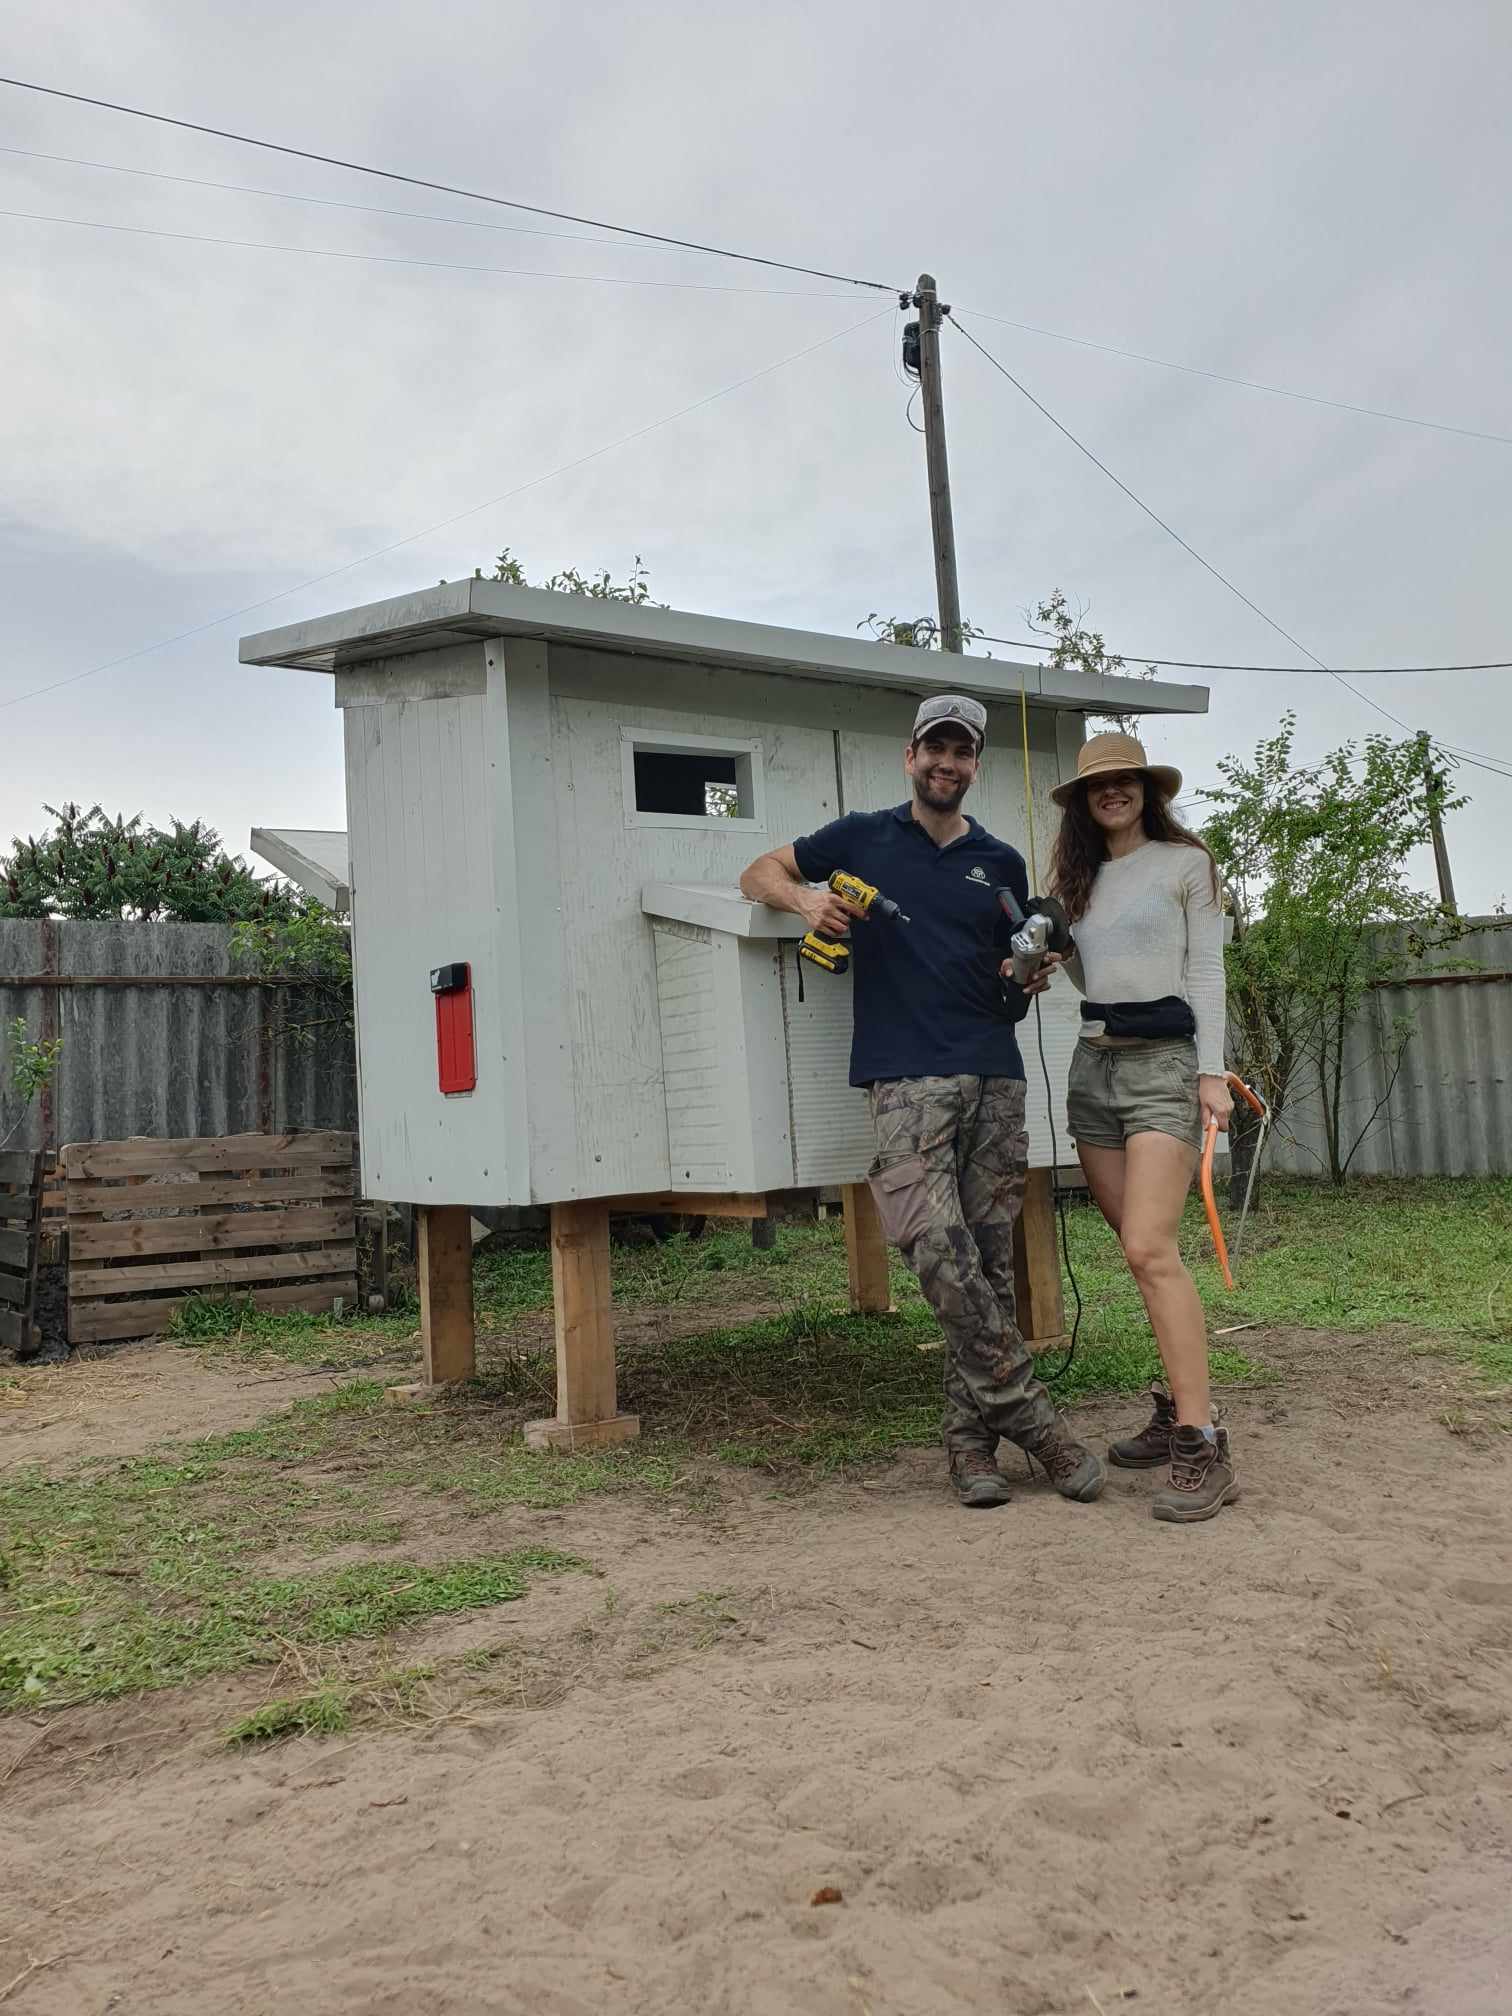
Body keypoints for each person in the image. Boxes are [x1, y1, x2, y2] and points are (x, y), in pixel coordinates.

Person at [739, 693, 1105, 1510]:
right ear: (911, 757)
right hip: (905, 1076)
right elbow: (757, 871)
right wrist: (804, 900)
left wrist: (1029, 971)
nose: (947, 763)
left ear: (975, 765)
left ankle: (971, 1448)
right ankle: (1036, 1422)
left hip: (996, 1072)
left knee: (989, 1263)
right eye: (934, 749)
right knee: (934, 1245)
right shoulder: (860, 837)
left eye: (961, 752)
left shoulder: (1000, 863)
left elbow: (1010, 970)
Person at [1043, 730, 1236, 1523]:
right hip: (1093, 1072)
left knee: (1151, 1249)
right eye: (1099, 785)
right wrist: (1049, 955)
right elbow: (1089, 974)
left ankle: (1203, 1440)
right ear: (1084, 802)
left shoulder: (1187, 864)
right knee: (1140, 1253)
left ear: (1148, 790)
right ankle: (1175, 1406)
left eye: (1125, 781)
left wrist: (1211, 1072)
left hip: (1166, 1068)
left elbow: (1206, 969)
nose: (1112, 792)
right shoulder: (1077, 880)